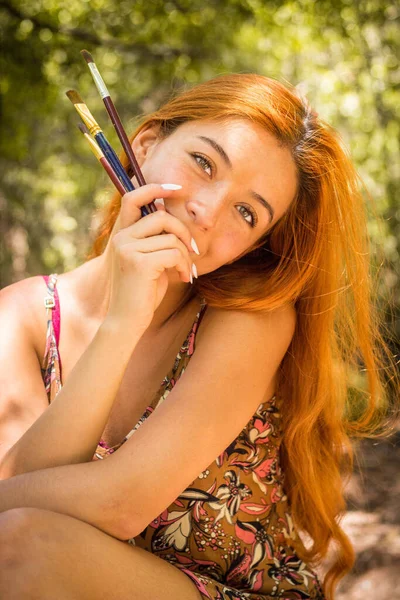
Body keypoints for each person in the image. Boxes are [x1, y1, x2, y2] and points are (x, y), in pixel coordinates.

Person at [0, 73, 396, 600]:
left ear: (250, 248)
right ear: (144, 145)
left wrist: (126, 319)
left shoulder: (248, 319)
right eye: (204, 163)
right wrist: (121, 321)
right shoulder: (20, 316)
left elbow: (119, 505)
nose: (206, 212)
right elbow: (25, 488)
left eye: (246, 212)